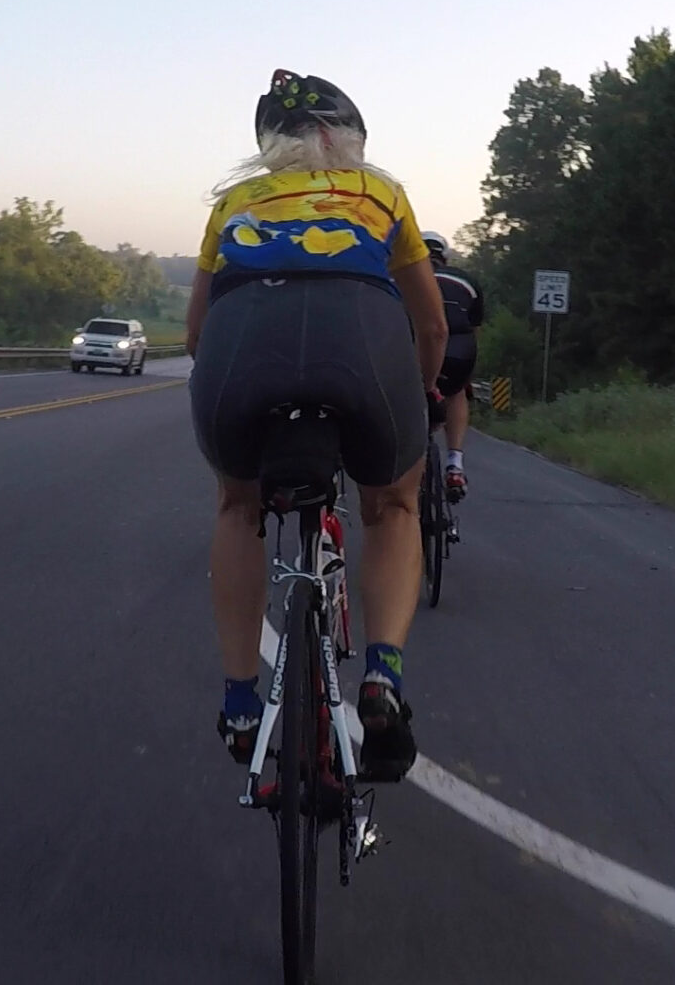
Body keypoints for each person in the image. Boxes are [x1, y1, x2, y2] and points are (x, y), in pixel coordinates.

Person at [188, 70, 446, 784]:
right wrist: (420, 392)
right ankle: (383, 675)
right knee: (394, 505)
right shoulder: (381, 195)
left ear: (269, 145)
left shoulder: (234, 203)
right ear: (349, 139)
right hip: (363, 349)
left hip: (243, 349)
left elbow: (196, 332)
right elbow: (431, 325)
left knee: (237, 506)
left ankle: (241, 702)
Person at [422, 230, 484, 515]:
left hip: (418, 342)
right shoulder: (465, 280)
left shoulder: (403, 277)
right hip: (461, 347)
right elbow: (475, 328)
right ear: (445, 257)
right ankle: (455, 465)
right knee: (457, 390)